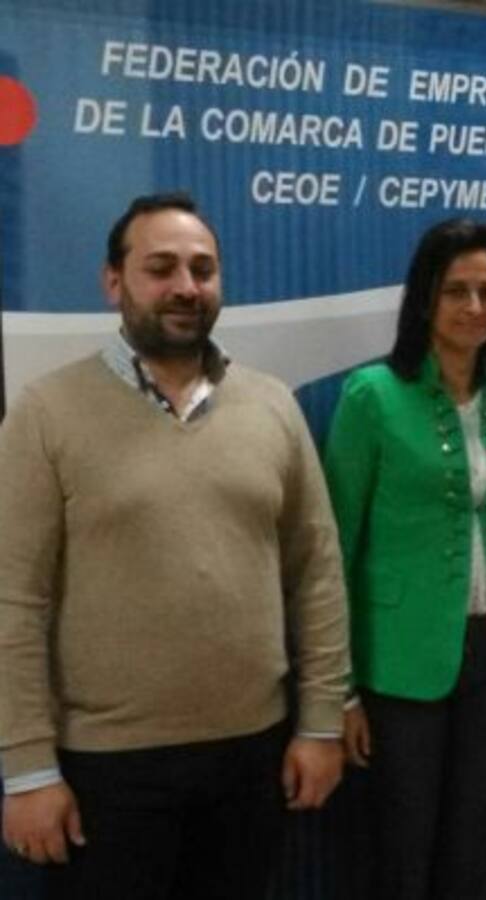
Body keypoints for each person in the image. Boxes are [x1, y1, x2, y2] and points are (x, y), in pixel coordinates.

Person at [0, 192, 350, 899]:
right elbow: (15, 599)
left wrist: (321, 723)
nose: (186, 287)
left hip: (253, 758)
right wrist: (28, 769)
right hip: (107, 773)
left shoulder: (272, 405)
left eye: (202, 269)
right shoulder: (46, 411)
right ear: (114, 282)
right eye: (161, 268)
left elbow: (315, 573)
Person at [323, 218, 486, 900]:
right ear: (425, 298)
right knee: (400, 851)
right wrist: (339, 692)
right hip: (397, 662)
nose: (475, 307)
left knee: (483, 854)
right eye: (456, 291)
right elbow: (332, 551)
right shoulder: (373, 397)